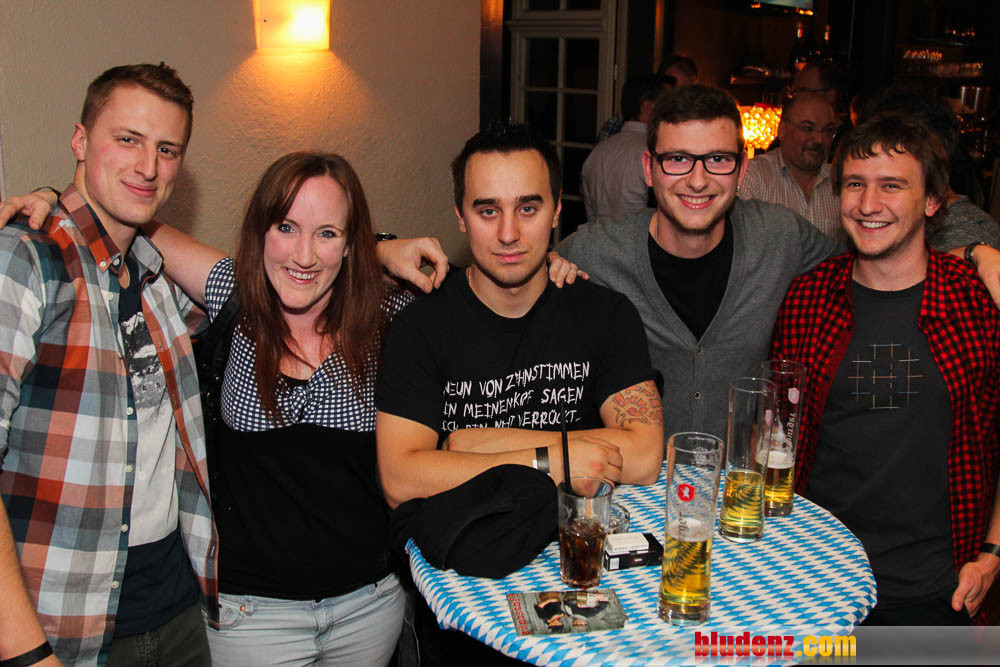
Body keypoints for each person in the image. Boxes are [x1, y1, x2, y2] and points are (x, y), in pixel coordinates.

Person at [0, 67, 450, 666]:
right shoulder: (226, 298)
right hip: (230, 615)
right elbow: (126, 215)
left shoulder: (160, 289)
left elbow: (485, 307)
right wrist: (56, 198)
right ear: (80, 140)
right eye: (127, 139)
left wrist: (552, 270)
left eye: (166, 150)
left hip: (357, 605)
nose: (147, 165)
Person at [553, 84, 1000, 442]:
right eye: (678, 159)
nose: (698, 179)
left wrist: (971, 255)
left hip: (742, 501)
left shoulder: (780, 236)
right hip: (634, 499)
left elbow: (874, 260)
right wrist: (549, 267)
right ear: (649, 168)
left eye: (718, 159)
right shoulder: (596, 250)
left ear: (743, 168)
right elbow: (521, 276)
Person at [769, 113, 1000, 625]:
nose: (868, 204)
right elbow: (778, 432)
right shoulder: (807, 299)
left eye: (892, 185)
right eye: (855, 184)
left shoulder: (977, 302)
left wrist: (993, 554)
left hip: (940, 589)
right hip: (812, 579)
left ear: (933, 200)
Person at [375, 121, 664, 513]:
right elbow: (401, 481)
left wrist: (479, 445)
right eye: (488, 211)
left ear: (556, 209)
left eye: (527, 209)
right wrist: (554, 461)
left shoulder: (606, 314)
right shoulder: (421, 327)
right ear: (460, 217)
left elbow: (645, 456)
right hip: (467, 547)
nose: (508, 233)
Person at [738, 93, 843, 241]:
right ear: (782, 130)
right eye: (808, 128)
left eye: (828, 131)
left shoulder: (840, 181)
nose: (819, 139)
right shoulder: (753, 175)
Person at [582, 74, 673, 221]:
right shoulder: (652, 152)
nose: (673, 111)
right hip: (640, 234)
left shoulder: (598, 152)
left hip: (599, 235)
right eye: (667, 104)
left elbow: (591, 212)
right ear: (649, 107)